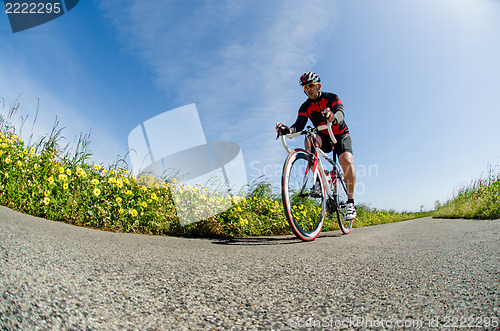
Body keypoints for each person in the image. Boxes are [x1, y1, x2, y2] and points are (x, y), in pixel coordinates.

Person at [276, 72, 357, 220]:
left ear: (318, 86)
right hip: (324, 137)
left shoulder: (331, 97)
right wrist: (288, 130)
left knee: (346, 161)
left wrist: (333, 118)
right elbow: (299, 125)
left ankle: (351, 202)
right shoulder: (305, 106)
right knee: (309, 138)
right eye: (305, 87)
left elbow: (340, 113)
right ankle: (317, 179)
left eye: (311, 86)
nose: (308, 89)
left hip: (339, 135)